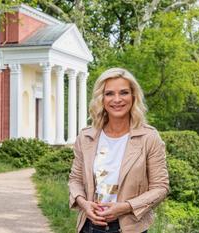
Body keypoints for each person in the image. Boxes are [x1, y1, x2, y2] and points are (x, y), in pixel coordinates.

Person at [68, 68, 169, 233]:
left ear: (133, 96)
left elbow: (160, 187)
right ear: (101, 99)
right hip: (89, 227)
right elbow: (75, 180)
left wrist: (126, 207)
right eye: (109, 94)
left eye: (124, 93)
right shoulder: (86, 137)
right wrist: (84, 204)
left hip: (130, 227)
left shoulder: (149, 137)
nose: (117, 99)